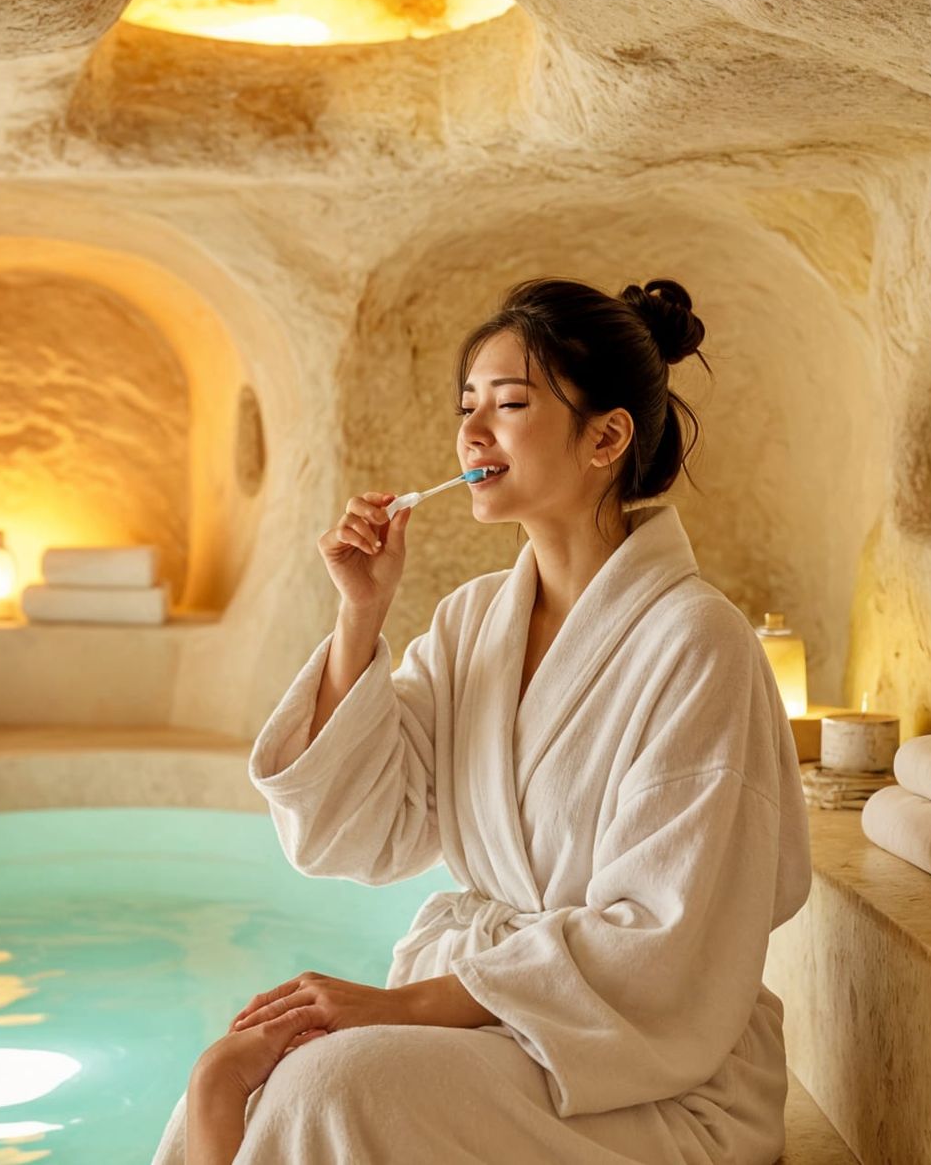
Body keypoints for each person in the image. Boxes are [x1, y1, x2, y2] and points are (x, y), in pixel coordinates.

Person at [154, 277, 813, 1164]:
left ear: (607, 437)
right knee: (257, 1077)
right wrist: (361, 617)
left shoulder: (698, 642)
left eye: (509, 405)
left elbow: (665, 948)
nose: (472, 433)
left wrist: (398, 1007)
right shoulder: (472, 625)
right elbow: (358, 835)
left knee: (329, 1086)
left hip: (651, 1074)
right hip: (497, 1030)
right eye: (467, 406)